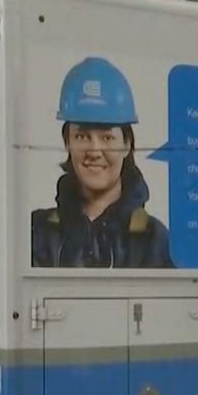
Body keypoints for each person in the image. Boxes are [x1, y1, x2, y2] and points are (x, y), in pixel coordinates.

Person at [31, 56, 173, 269]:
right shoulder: (37, 233)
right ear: (67, 142)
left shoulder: (154, 241)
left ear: (127, 144)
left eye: (107, 138)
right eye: (82, 136)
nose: (94, 151)